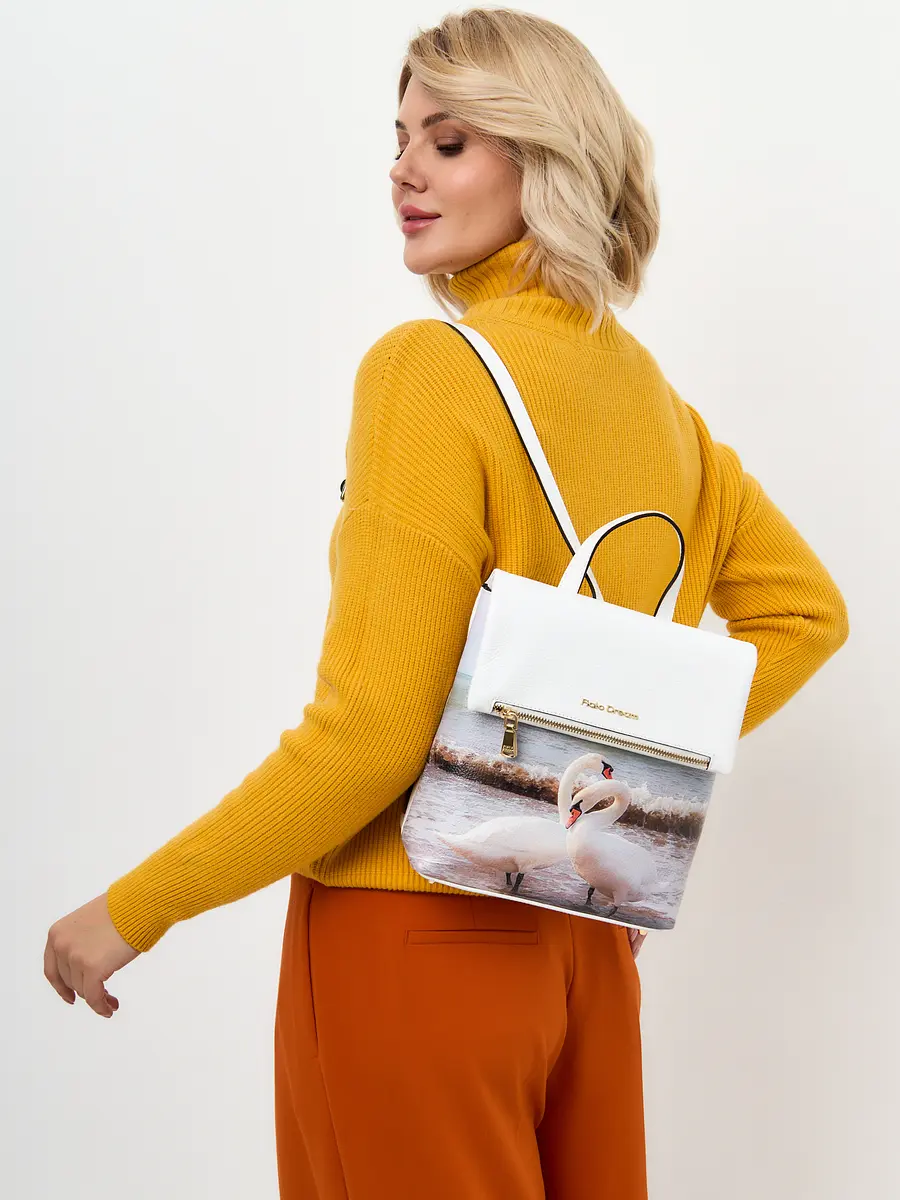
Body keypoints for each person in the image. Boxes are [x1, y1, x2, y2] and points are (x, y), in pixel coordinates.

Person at [44, 9, 849, 1199]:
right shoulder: (662, 412)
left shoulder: (429, 373)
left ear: (546, 158)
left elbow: (369, 734)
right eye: (401, 137)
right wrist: (632, 773)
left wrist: (135, 909)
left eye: (451, 141)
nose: (404, 170)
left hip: (410, 946)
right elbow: (805, 616)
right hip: (586, 946)